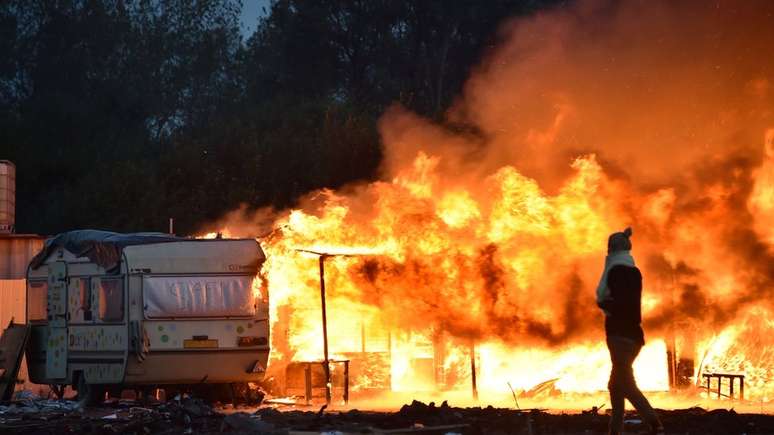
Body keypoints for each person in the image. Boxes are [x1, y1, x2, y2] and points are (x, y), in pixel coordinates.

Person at [596, 227, 664, 435]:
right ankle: (615, 431)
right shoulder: (634, 272)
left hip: (620, 335)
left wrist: (605, 304)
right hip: (633, 336)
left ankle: (654, 423)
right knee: (615, 384)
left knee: (625, 383)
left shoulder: (616, 271)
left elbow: (619, 301)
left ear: (612, 249)